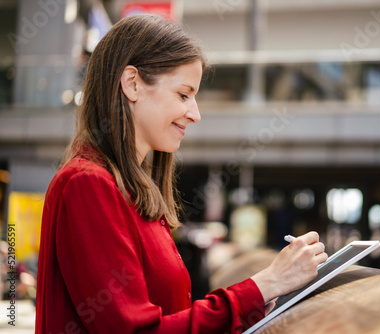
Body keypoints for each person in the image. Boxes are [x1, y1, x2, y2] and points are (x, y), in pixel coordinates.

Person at [35, 14, 327, 334]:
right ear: (132, 84)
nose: (195, 113)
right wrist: (264, 284)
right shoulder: (88, 185)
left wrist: (251, 309)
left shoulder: (129, 190)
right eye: (184, 94)